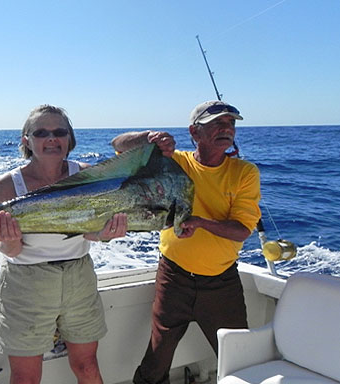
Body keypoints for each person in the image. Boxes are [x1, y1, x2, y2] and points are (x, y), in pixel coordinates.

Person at [111, 100, 262, 384]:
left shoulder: (245, 173)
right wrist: (149, 138)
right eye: (216, 124)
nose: (226, 129)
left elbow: (242, 230)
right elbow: (117, 144)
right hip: (173, 277)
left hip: (221, 282)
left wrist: (200, 223)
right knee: (156, 360)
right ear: (195, 132)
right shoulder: (173, 162)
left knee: (239, 357)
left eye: (230, 124)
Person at [0, 104, 128, 384]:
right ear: (26, 140)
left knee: (87, 365)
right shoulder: (7, 186)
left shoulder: (90, 176)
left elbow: (91, 232)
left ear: (69, 138)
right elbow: (12, 251)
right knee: (25, 377)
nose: (51, 138)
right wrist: (7, 242)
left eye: (59, 132)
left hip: (79, 277)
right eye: (41, 132)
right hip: (26, 282)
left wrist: (105, 233)